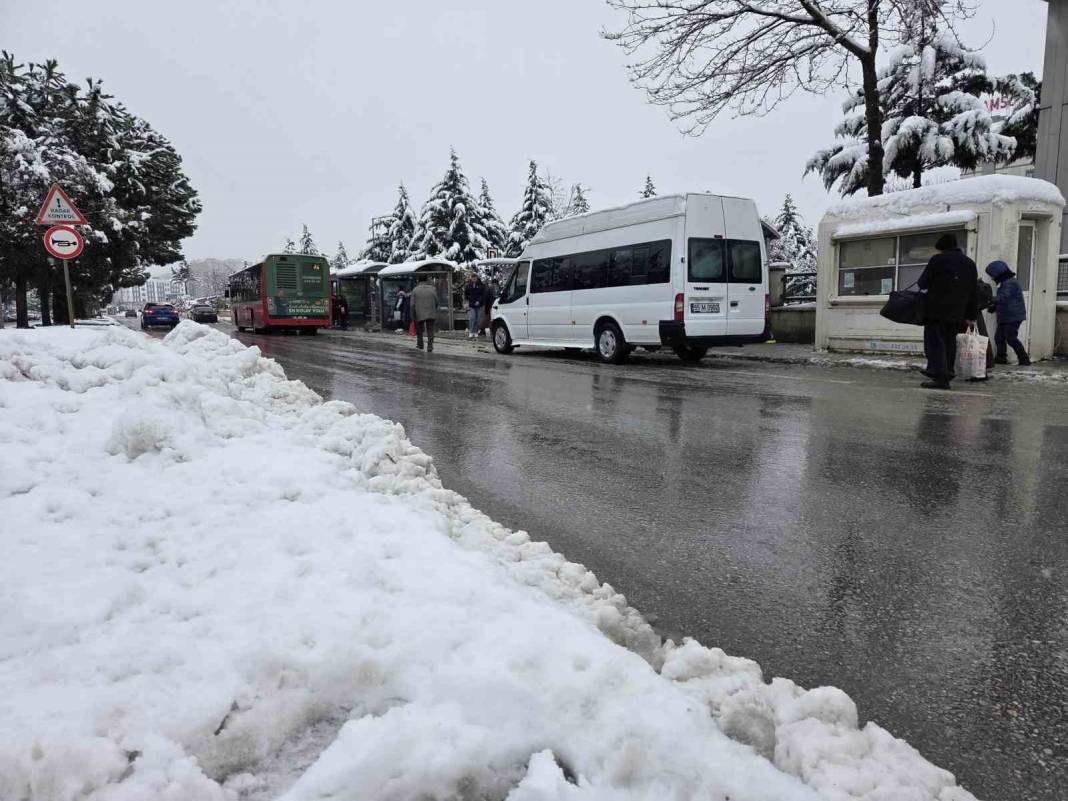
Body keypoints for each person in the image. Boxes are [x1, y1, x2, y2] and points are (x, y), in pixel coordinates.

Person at [916, 233, 978, 390]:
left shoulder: (937, 260)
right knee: (950, 343)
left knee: (935, 343)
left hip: (936, 310)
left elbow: (923, 283)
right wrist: (971, 315)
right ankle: (947, 372)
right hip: (957, 312)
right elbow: (973, 291)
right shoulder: (969, 263)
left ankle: (939, 377)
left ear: (941, 247)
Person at [985, 260, 1031, 366]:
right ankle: (1001, 358)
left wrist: (989, 299)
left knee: (1011, 338)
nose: (992, 278)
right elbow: (1005, 299)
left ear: (998, 274)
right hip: (1006, 316)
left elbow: (1004, 297)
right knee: (999, 337)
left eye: (992, 276)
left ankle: (1024, 359)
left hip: (1013, 316)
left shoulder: (1009, 283)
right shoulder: (1005, 282)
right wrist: (994, 307)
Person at [410, 276, 438, 352]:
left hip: (419, 312)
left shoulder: (415, 290)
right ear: (426, 281)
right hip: (431, 312)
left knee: (419, 329)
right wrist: (434, 308)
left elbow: (412, 304)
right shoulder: (433, 289)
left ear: (418, 281)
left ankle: (420, 344)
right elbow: (436, 301)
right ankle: (430, 346)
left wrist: (412, 314)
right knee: (430, 330)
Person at [463, 274, 483, 339]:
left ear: (477, 278)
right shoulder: (468, 285)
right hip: (471, 304)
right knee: (472, 318)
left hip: (479, 304)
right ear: (471, 278)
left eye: (475, 278)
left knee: (478, 319)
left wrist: (479, 301)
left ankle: (476, 331)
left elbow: (482, 295)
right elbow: (466, 295)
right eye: (472, 278)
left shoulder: (480, 285)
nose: (474, 279)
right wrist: (470, 300)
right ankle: (471, 331)